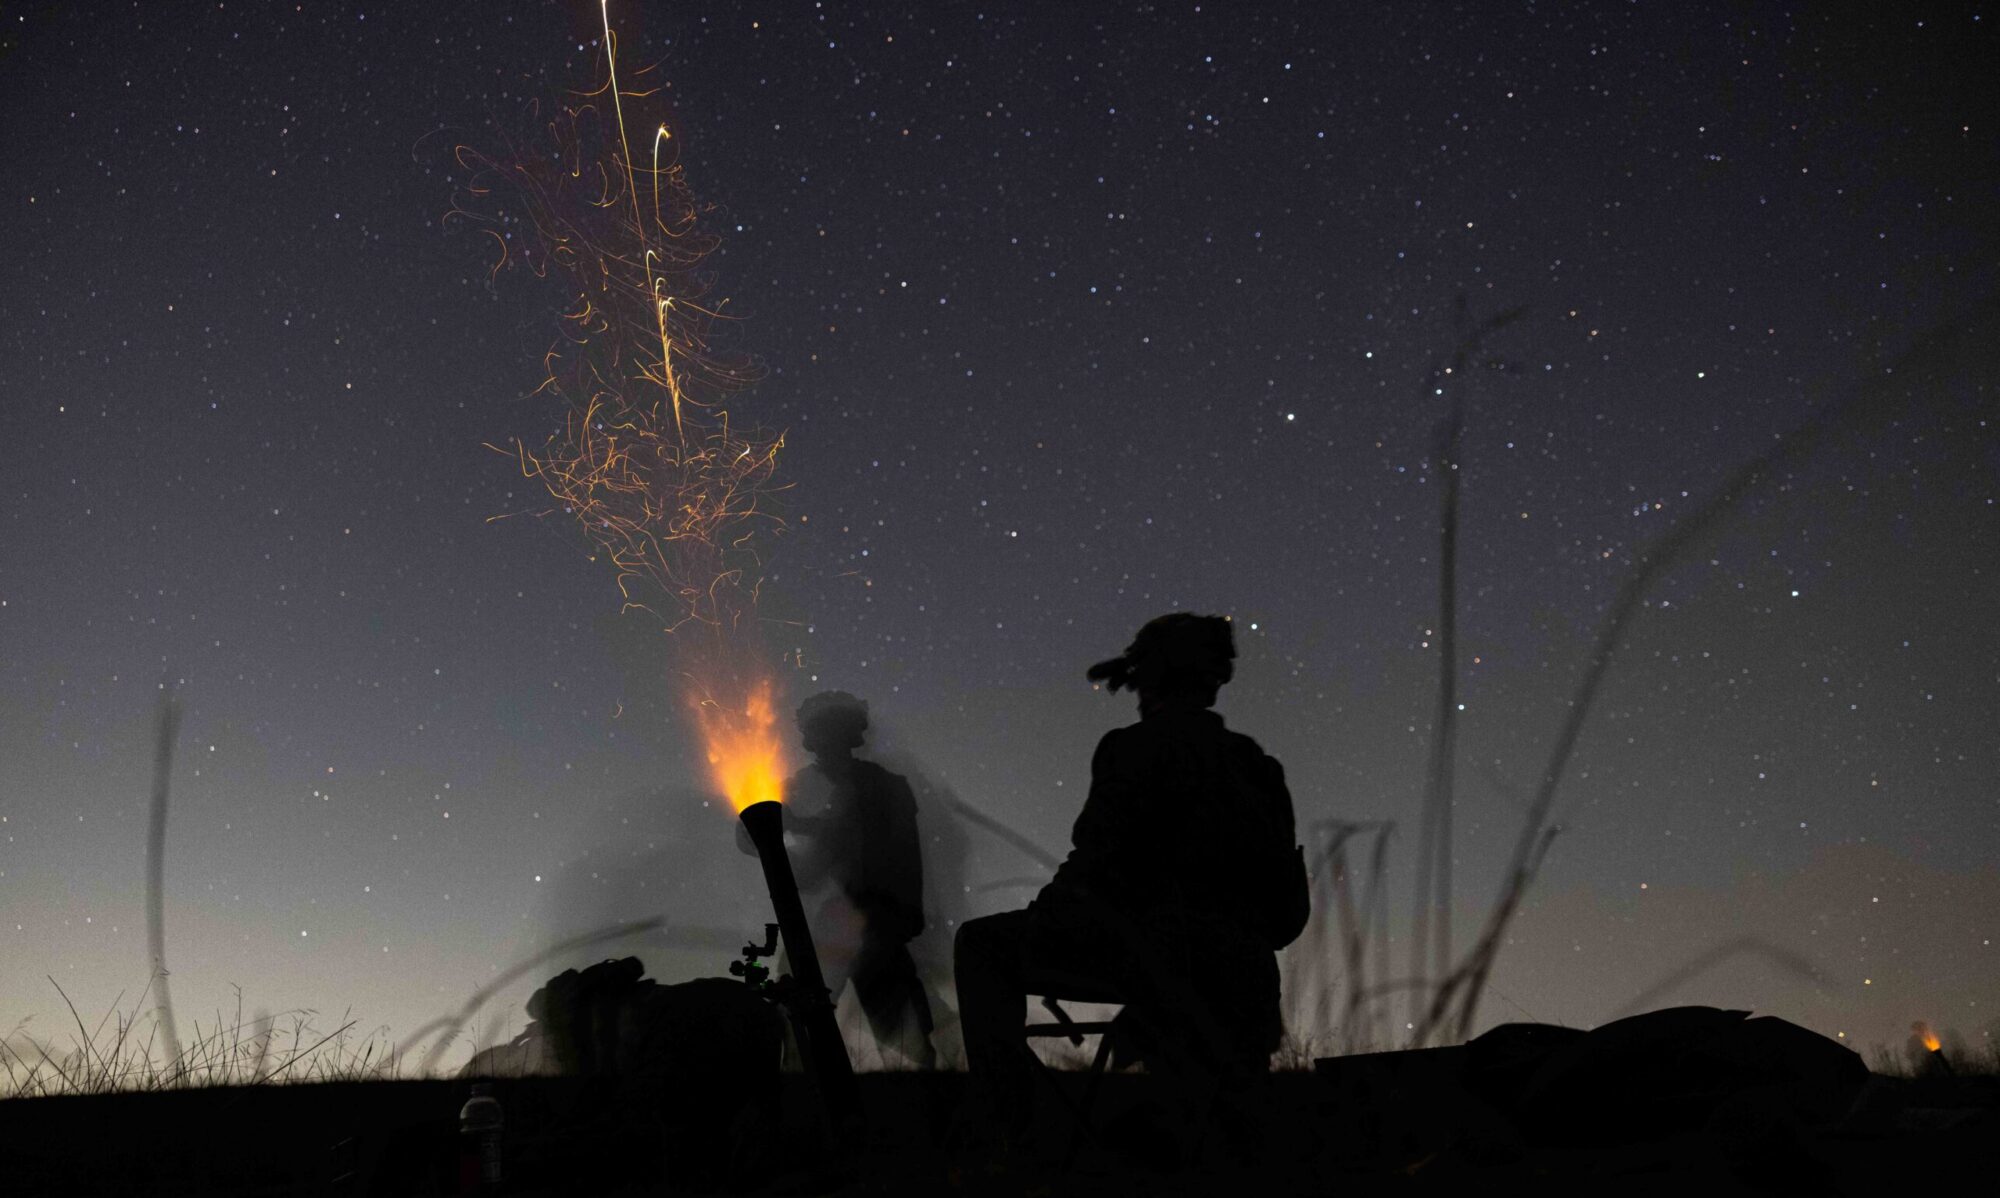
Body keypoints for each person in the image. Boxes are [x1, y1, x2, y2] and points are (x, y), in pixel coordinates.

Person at [953, 613, 1306, 1144]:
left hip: (1158, 960)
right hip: (1246, 977)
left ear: (1152, 679)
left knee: (981, 945)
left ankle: (1009, 1131)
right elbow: (1285, 910)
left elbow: (1097, 862)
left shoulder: (1132, 748)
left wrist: (1051, 919)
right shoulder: (1259, 766)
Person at [741, 690, 936, 1065]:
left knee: (900, 1036)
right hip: (836, 920)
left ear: (851, 732)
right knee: (801, 1018)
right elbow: (755, 837)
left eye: (833, 727)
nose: (825, 737)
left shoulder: (883, 785)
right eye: (820, 728)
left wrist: (906, 911)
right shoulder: (795, 787)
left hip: (876, 917)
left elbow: (888, 847)